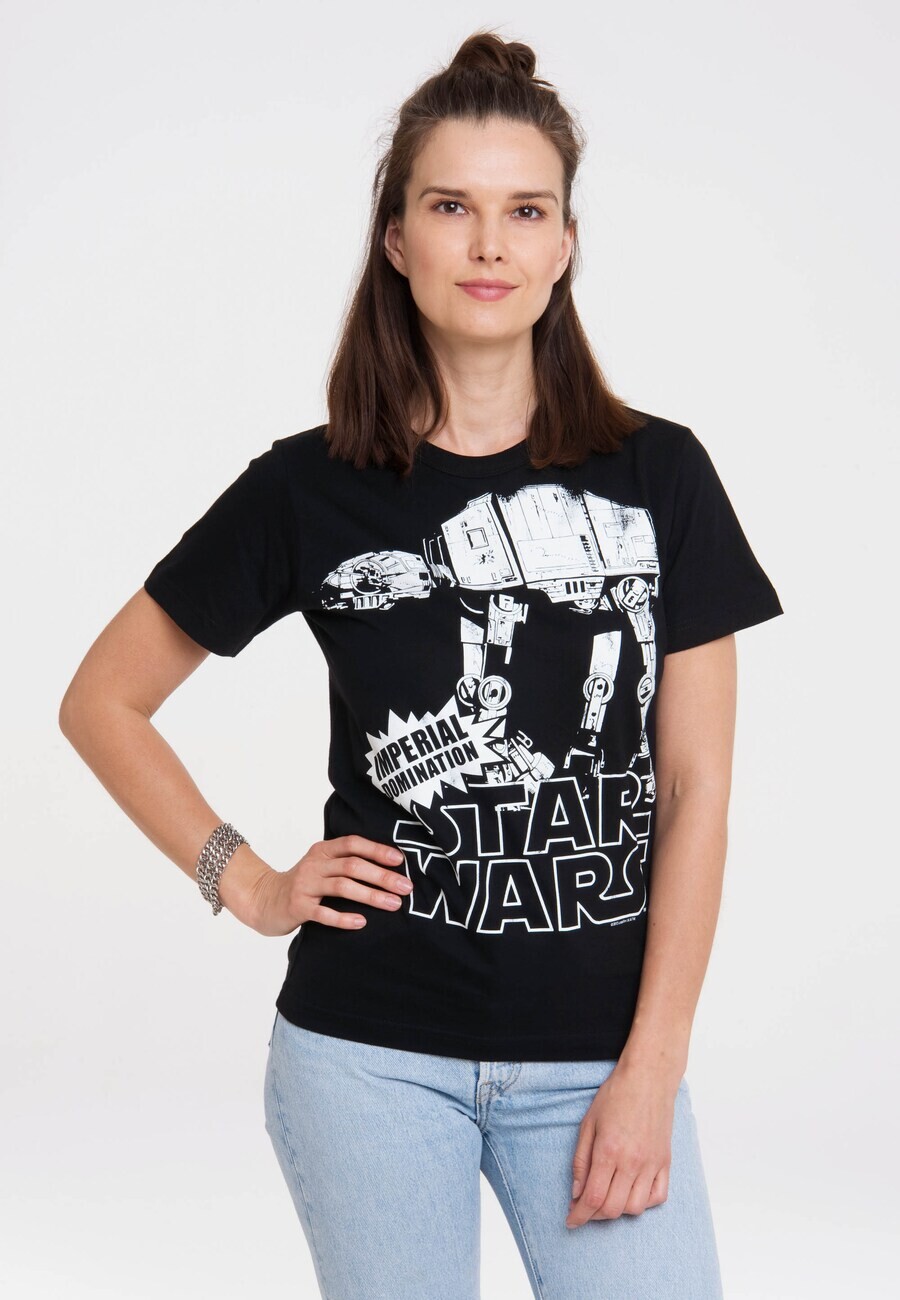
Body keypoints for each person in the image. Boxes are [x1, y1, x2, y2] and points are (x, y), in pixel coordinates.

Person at [59, 28, 784, 1300]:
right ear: (397, 238)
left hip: (598, 1060)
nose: (490, 244)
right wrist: (251, 881)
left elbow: (697, 789)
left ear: (565, 245)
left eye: (525, 211)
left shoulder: (661, 475)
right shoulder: (308, 489)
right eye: (452, 207)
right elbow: (103, 700)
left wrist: (653, 1065)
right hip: (367, 1056)